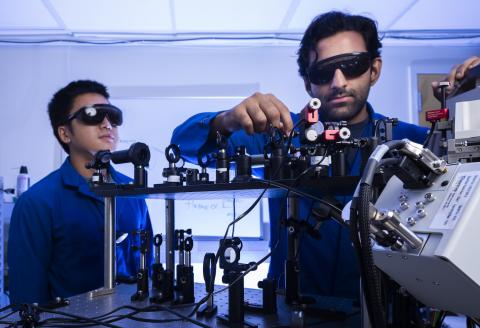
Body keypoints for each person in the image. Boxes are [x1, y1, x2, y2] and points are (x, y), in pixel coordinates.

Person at [172, 12, 478, 300]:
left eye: (353, 65)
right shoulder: (279, 134)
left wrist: (468, 109)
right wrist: (225, 121)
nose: (338, 82)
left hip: (380, 314)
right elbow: (182, 144)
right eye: (322, 71)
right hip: (288, 310)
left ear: (374, 70)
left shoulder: (413, 141)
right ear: (308, 82)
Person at [8, 80, 153, 305]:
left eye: (113, 116)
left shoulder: (133, 191)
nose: (107, 124)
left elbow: (147, 266)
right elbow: (27, 298)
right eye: (92, 115)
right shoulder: (36, 203)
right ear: (65, 133)